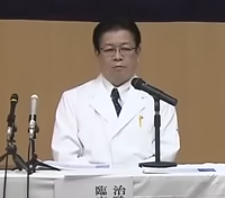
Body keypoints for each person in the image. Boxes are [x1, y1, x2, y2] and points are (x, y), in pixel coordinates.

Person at [52, 18, 180, 166]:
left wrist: (129, 176)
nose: (118, 57)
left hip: (143, 180)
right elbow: (65, 156)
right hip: (89, 180)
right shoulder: (72, 100)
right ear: (97, 53)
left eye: (125, 49)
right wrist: (103, 176)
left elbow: (165, 154)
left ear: (138, 51)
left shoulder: (160, 102)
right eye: (109, 50)